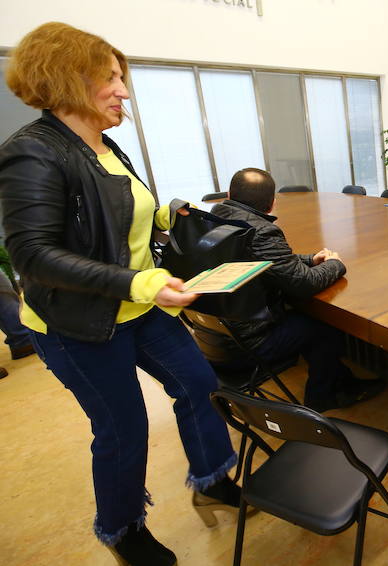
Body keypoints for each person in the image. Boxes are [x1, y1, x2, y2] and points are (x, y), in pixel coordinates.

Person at [0, 23, 240, 566]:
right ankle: (122, 528)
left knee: (199, 383)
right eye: (110, 78)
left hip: (137, 308)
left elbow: (113, 219)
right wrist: (142, 281)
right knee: (123, 426)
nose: (124, 91)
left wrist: (163, 214)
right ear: (66, 77)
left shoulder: (105, 144)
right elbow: (33, 254)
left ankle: (211, 478)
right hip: (76, 325)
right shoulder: (32, 153)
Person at [212, 168, 385, 412]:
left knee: (309, 320)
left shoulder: (217, 218)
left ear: (229, 194)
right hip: (252, 337)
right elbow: (304, 284)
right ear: (272, 205)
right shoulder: (261, 232)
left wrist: (309, 259)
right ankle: (323, 396)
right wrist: (336, 264)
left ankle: (340, 378)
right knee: (325, 327)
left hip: (221, 331)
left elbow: (271, 262)